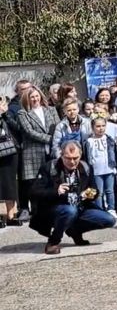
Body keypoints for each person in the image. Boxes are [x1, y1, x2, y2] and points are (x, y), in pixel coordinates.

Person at [29, 141, 117, 254]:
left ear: (80, 155)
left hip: (80, 208)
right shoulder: (49, 167)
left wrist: (90, 194)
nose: (72, 162)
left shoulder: (86, 167)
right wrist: (56, 191)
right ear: (61, 155)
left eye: (75, 158)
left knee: (109, 220)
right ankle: (53, 242)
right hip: (55, 209)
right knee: (70, 211)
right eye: (68, 158)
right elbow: (34, 192)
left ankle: (75, 230)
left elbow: (94, 189)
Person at [17, 87, 60, 221]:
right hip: (33, 152)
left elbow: (57, 126)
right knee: (34, 183)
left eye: (37, 96)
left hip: (51, 151)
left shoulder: (51, 110)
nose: (35, 99)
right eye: (32, 97)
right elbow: (29, 132)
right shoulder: (22, 113)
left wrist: (55, 140)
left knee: (52, 180)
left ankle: (52, 209)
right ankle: (36, 211)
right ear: (27, 99)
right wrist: (50, 138)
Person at [82, 116, 117, 218]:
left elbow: (114, 153)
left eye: (103, 126)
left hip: (109, 168)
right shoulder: (89, 141)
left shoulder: (109, 139)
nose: (101, 128)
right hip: (96, 170)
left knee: (110, 190)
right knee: (99, 192)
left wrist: (116, 166)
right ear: (93, 127)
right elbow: (87, 156)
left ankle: (111, 209)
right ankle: (100, 209)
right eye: (98, 126)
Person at [0, 96, 20, 227]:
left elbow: (17, 128)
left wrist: (5, 114)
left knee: (10, 184)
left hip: (9, 152)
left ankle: (11, 215)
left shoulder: (8, 113)